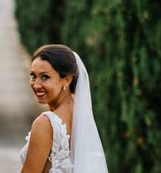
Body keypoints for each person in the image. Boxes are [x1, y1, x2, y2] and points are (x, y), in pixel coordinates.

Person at [20, 44, 108, 173]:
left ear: (66, 79)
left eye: (45, 77)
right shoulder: (82, 112)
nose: (36, 84)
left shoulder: (45, 124)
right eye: (33, 76)